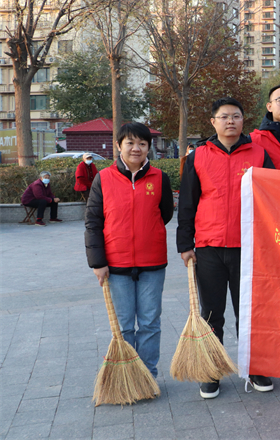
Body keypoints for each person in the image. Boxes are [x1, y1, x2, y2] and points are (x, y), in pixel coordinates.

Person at [177, 97, 275, 399]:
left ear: (244, 121)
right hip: (209, 248)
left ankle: (256, 367)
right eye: (224, 117)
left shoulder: (259, 154)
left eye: (235, 116)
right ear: (213, 122)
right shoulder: (198, 156)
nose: (230, 121)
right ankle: (212, 371)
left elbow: (273, 198)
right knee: (211, 314)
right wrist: (185, 244)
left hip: (249, 248)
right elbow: (188, 203)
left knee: (249, 313)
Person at [84, 122, 174, 378]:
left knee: (150, 323)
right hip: (116, 265)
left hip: (152, 263)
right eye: (130, 143)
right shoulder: (104, 178)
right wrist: (98, 262)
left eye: (142, 144)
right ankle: (128, 378)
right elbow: (93, 222)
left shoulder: (159, 178)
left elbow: (165, 214)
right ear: (119, 145)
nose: (136, 148)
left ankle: (148, 377)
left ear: (148, 147)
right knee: (123, 326)